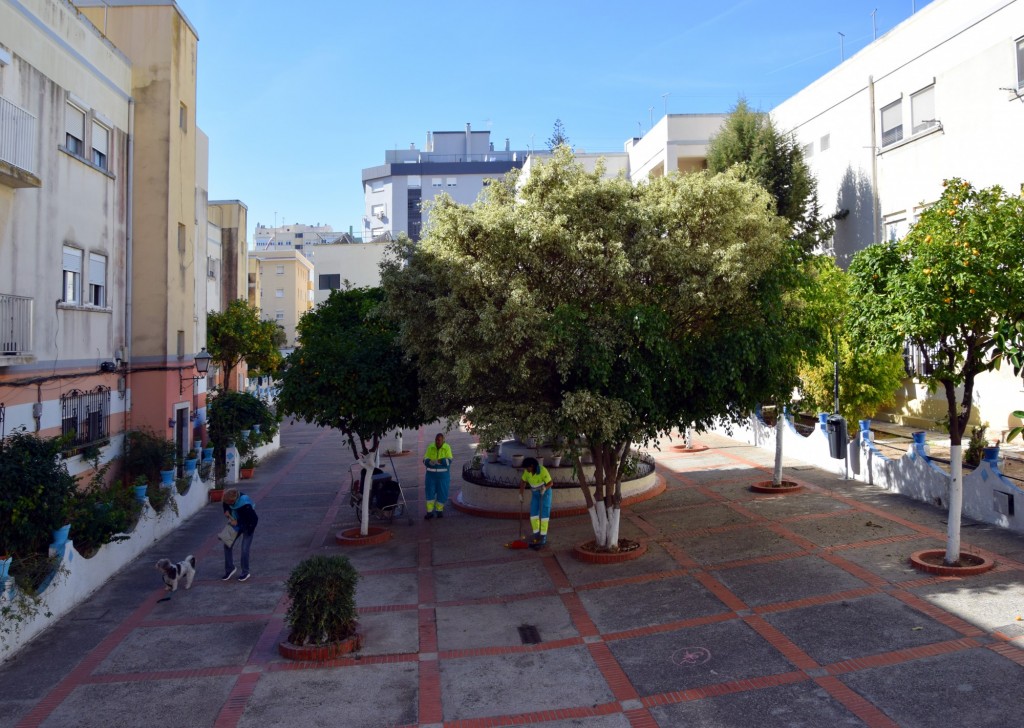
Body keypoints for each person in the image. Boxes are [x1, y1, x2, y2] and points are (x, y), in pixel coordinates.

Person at [222, 488, 258, 581]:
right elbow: (225, 503)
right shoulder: (227, 498)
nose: (228, 504)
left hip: (248, 524)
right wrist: (226, 510)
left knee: (244, 549)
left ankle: (245, 572)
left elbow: (253, 519)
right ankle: (230, 569)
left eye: (230, 503)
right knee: (226, 543)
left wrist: (238, 521)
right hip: (234, 520)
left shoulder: (245, 504)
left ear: (233, 501)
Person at [519, 457, 553, 549]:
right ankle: (536, 534)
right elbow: (523, 481)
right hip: (535, 494)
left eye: (527, 468)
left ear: (532, 466)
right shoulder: (527, 472)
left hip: (544, 494)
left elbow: (550, 483)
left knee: (544, 515)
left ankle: (543, 536)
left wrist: (545, 488)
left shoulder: (542, 470)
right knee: (533, 515)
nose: (526, 470)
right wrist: (521, 494)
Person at [423, 432, 453, 519]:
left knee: (442, 493)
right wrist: (429, 462)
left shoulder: (447, 447)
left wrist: (440, 461)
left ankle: (439, 511)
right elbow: (425, 459)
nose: (437, 442)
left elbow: (449, 461)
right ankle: (429, 512)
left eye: (439, 440)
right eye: (436, 440)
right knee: (429, 494)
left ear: (443, 440)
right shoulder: (430, 447)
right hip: (430, 477)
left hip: (443, 477)